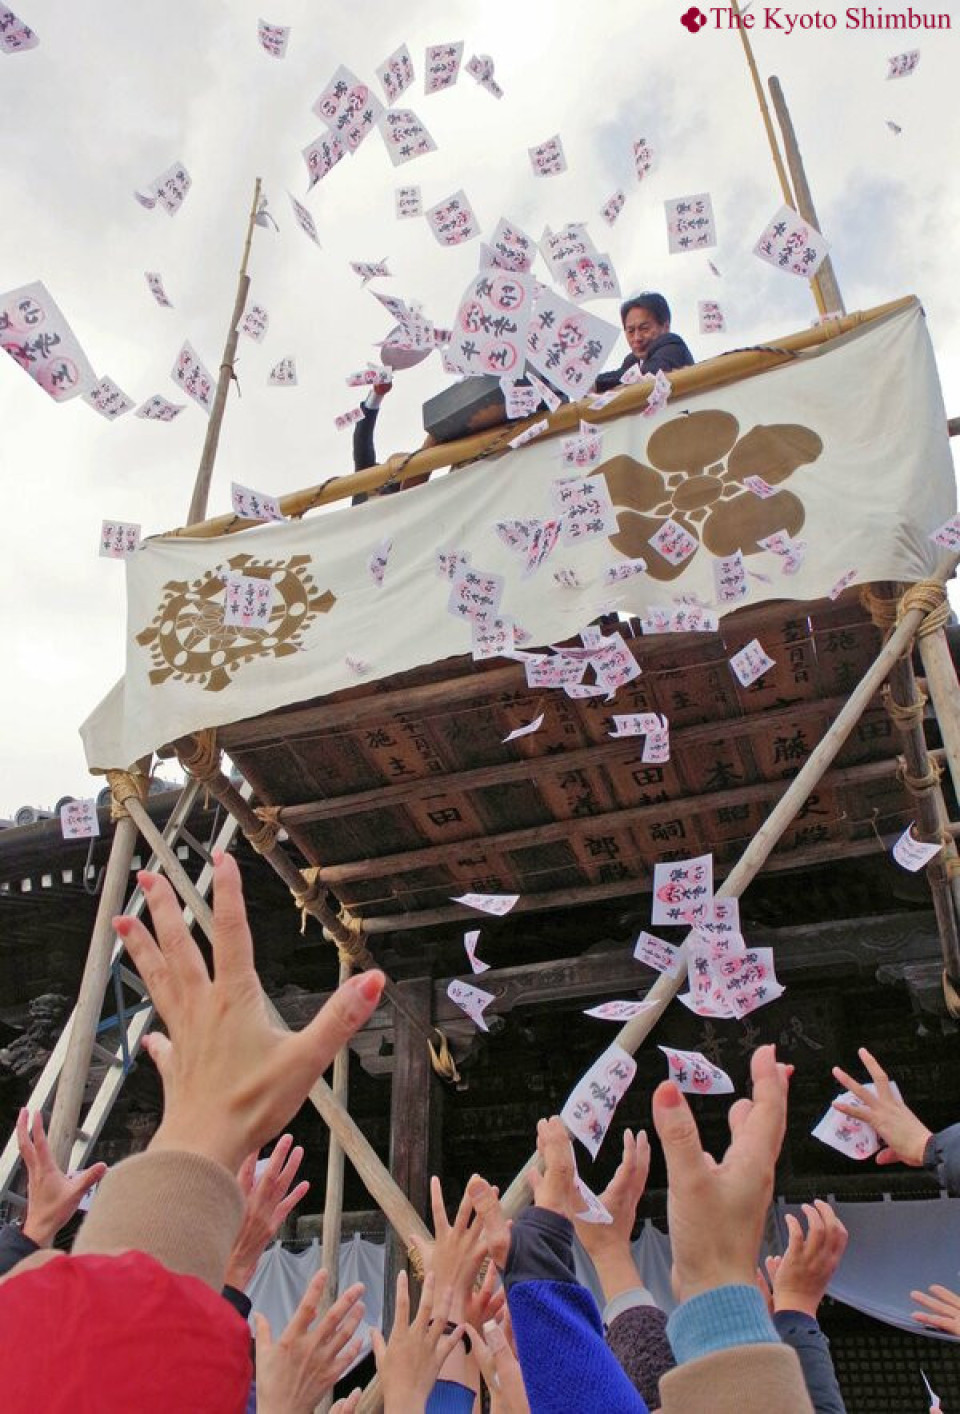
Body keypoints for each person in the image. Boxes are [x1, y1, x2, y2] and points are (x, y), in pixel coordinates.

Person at [595, 293, 694, 392]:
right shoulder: (632, 360)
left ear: (665, 327)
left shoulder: (672, 346)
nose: (637, 338)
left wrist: (596, 384)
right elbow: (622, 376)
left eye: (644, 328)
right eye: (631, 331)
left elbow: (646, 374)